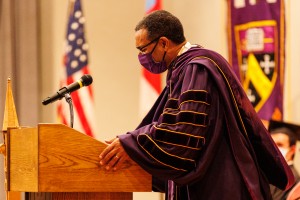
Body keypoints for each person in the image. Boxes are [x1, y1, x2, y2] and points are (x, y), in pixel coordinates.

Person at [99, 10, 294, 199]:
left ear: (164, 43)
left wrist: (132, 143)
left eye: (143, 49)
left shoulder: (196, 69)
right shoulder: (188, 66)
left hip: (218, 184)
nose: (142, 56)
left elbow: (183, 133)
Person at [269, 120, 300, 199]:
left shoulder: (289, 178)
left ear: (292, 150)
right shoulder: (272, 172)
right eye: (271, 144)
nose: (274, 148)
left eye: (279, 144)